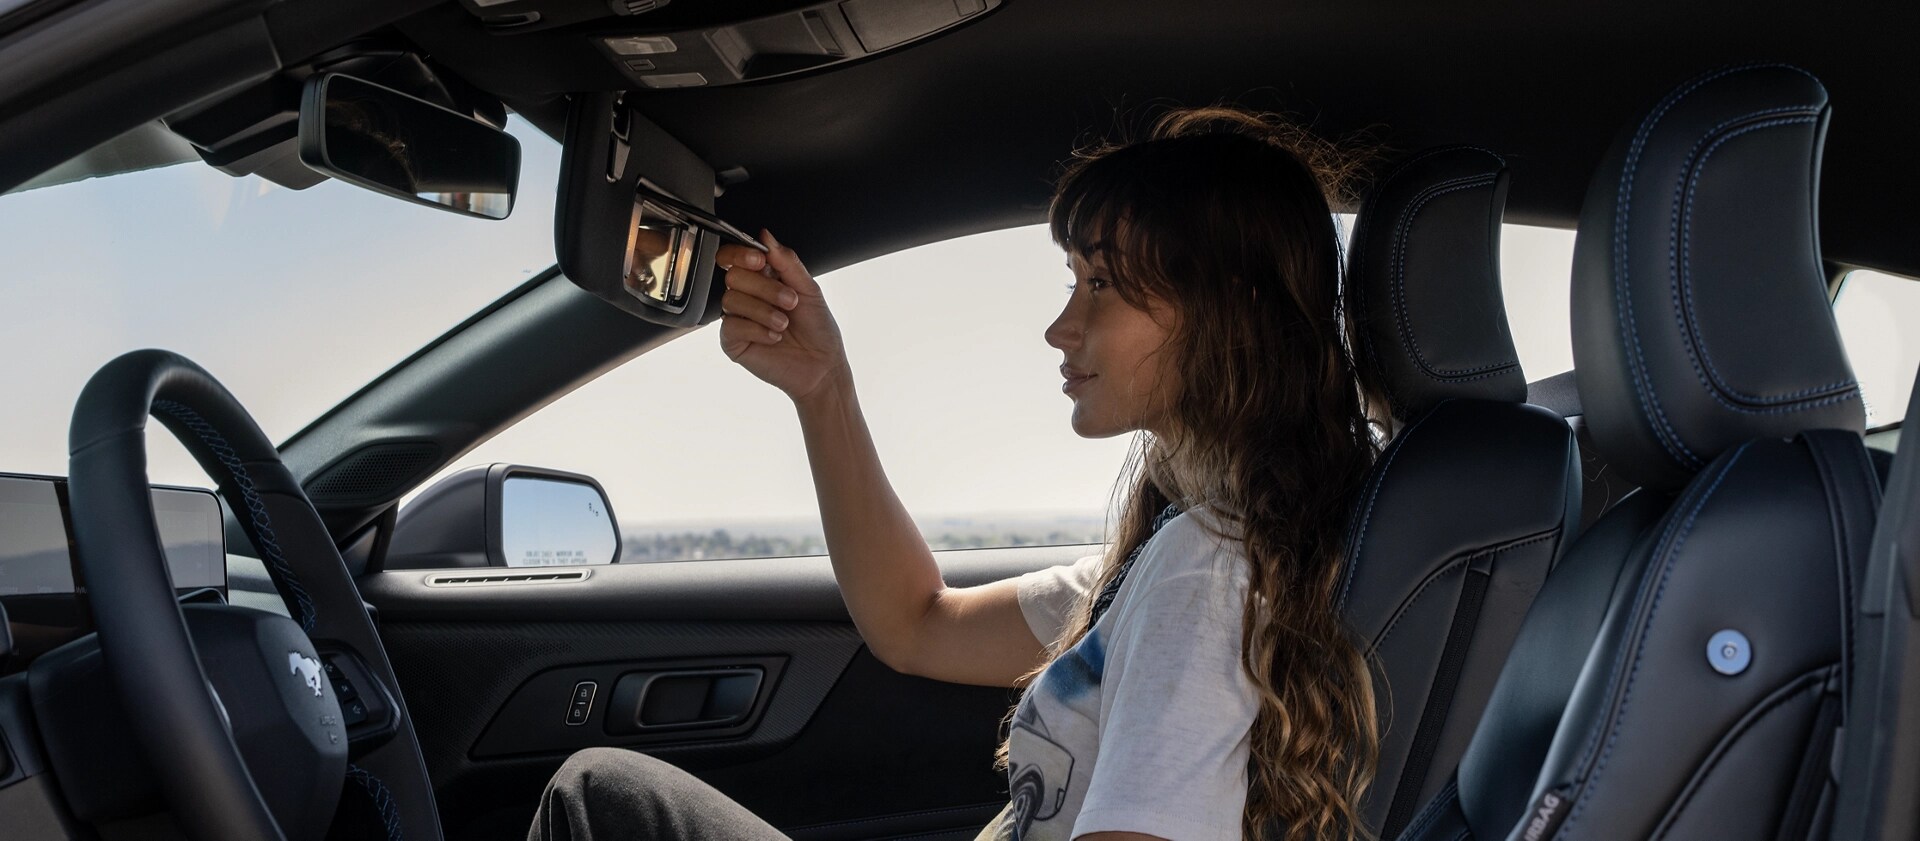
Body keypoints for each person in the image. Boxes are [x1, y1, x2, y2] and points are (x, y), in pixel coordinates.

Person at [527, 107, 1386, 841]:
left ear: (1222, 314)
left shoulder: (1203, 575)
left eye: (1101, 285)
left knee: (598, 799)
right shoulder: (1190, 548)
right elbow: (914, 622)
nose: (1061, 325)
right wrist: (825, 391)